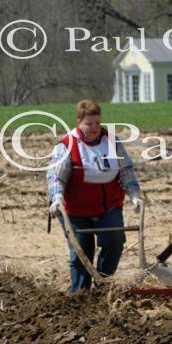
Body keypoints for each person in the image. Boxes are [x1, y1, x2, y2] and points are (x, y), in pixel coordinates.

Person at [46, 99, 142, 293]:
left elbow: (126, 171)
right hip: (76, 211)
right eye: (89, 123)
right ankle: (80, 294)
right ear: (79, 122)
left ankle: (103, 286)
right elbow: (56, 177)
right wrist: (57, 199)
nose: (94, 128)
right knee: (82, 252)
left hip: (109, 207)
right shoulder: (67, 145)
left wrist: (134, 195)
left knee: (114, 241)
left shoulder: (113, 143)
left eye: (97, 123)